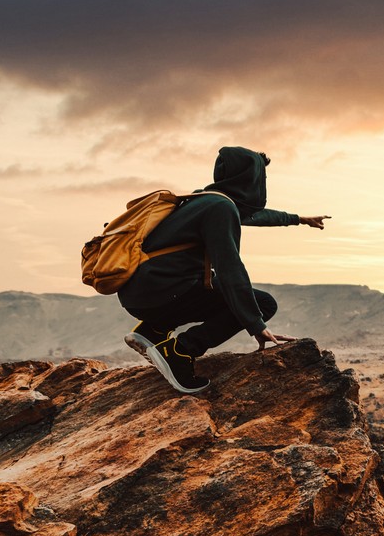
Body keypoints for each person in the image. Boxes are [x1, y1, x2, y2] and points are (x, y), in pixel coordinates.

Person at [119, 146, 330, 394]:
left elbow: (254, 216)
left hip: (143, 293)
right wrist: (255, 323)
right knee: (263, 303)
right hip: (163, 291)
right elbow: (231, 269)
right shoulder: (220, 208)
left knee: (211, 286)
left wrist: (298, 218)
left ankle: (152, 329)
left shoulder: (203, 201)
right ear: (251, 178)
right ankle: (179, 351)